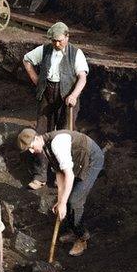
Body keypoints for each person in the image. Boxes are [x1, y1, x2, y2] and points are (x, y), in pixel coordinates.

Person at [22, 22, 89, 190]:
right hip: (47, 93)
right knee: (41, 133)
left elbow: (82, 77)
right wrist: (36, 80)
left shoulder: (76, 53)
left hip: (67, 98)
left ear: (67, 37)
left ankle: (60, 175)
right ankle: (40, 175)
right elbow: (27, 60)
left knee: (64, 135)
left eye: (59, 41)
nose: (56, 44)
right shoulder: (45, 50)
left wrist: (74, 95)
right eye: (53, 41)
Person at [17, 128, 104, 256]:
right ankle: (73, 230)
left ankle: (82, 237)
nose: (31, 151)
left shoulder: (57, 144)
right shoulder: (45, 147)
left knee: (74, 201)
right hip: (78, 161)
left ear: (36, 138)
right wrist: (60, 199)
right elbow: (60, 172)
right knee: (66, 200)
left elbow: (69, 175)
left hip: (92, 159)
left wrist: (63, 203)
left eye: (31, 147)